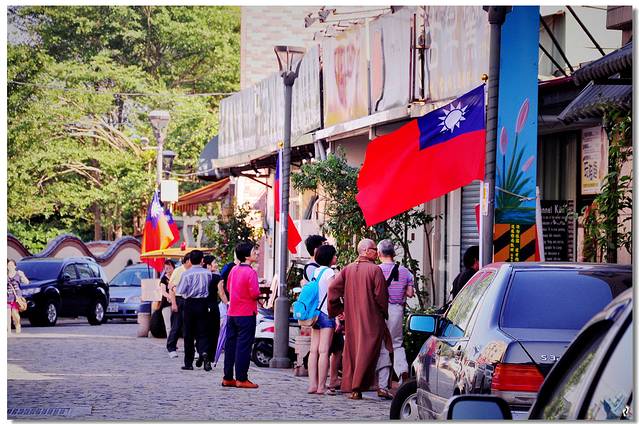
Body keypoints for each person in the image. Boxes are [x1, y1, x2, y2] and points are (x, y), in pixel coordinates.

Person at [328, 239, 393, 400]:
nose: (376, 252)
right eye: (374, 249)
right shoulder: (375, 270)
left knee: (354, 351)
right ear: (365, 251)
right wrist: (383, 313)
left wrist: (339, 309)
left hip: (352, 319)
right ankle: (376, 386)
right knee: (378, 350)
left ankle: (354, 389)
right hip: (372, 318)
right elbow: (381, 296)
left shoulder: (348, 269)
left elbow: (332, 289)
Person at [223, 242, 260, 389]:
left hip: (232, 312)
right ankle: (241, 378)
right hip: (246, 312)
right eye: (253, 251)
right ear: (246, 256)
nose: (256, 253)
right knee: (244, 346)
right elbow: (255, 293)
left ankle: (227, 377)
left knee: (231, 345)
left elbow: (228, 287)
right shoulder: (251, 272)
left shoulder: (234, 269)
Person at [377, 239, 415, 386]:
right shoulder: (405, 272)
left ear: (379, 253)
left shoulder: (376, 270)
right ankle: (402, 370)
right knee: (396, 344)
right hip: (397, 310)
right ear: (393, 253)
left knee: (382, 345)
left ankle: (382, 383)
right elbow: (410, 293)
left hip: (381, 310)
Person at [307, 244, 338, 395]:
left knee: (313, 350)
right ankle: (321, 386)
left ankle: (312, 385)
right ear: (329, 258)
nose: (336, 257)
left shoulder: (316, 271)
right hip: (326, 313)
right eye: (334, 255)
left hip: (315, 314)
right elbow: (333, 293)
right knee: (324, 351)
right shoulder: (329, 272)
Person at [176, 250, 212, 371]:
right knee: (203, 332)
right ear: (202, 260)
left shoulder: (186, 274)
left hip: (190, 303)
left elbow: (180, 290)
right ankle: (204, 352)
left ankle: (188, 363)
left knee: (188, 333)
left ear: (190, 260)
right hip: (203, 303)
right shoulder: (208, 274)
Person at [166, 252, 192, 358]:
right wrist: (174, 303)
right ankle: (171, 347)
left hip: (189, 299)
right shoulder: (178, 271)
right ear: (187, 261)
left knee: (188, 326)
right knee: (176, 325)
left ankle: (189, 348)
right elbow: (171, 288)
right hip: (179, 299)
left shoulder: (192, 270)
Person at [202, 255, 221, 368]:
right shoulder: (216, 277)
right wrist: (227, 303)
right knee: (213, 332)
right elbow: (221, 293)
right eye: (214, 263)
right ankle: (209, 357)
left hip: (201, 306)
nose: (216, 265)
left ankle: (202, 351)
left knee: (202, 331)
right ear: (208, 265)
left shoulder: (200, 276)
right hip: (213, 306)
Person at [7, 259, 28, 335]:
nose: (10, 266)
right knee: (7, 315)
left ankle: (17, 325)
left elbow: (26, 282)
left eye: (12, 265)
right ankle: (9, 331)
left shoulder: (18, 274)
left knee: (15, 315)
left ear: (15, 266)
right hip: (7, 297)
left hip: (16, 298)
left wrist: (22, 275)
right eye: (8, 265)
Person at [159, 260, 176, 337]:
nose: (168, 270)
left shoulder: (175, 277)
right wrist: (171, 297)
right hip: (166, 304)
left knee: (175, 324)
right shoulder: (164, 279)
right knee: (168, 325)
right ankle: (170, 340)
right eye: (166, 268)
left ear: (173, 267)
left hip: (176, 303)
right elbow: (163, 292)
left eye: (169, 268)